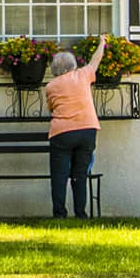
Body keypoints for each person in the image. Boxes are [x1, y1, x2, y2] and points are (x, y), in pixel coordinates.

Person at [43, 35, 105, 218]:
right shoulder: (83, 75)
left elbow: (51, 108)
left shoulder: (51, 86)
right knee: (80, 174)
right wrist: (102, 43)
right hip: (87, 129)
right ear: (72, 65)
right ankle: (81, 213)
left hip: (62, 133)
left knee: (59, 176)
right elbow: (96, 61)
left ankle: (60, 213)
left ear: (54, 69)